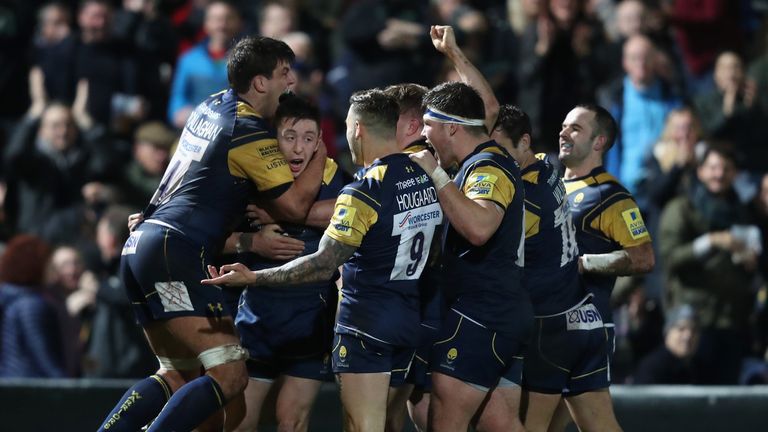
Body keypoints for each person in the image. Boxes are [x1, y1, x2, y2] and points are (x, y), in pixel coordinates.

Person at [96, 35, 326, 432]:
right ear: (260, 82)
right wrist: (319, 153)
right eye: (284, 74)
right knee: (231, 376)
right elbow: (293, 208)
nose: (291, 83)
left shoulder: (210, 105)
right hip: (174, 252)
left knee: (176, 373)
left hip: (144, 245)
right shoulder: (249, 130)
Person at [203, 89, 443, 432]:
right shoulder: (425, 178)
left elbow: (323, 263)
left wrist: (255, 278)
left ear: (357, 129)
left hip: (366, 323)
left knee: (362, 426)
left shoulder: (361, 191)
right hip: (406, 318)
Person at [409, 79, 531, 431]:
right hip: (502, 311)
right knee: (501, 425)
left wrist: (434, 174)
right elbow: (487, 108)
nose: (423, 136)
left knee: (445, 423)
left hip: (482, 314)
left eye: (428, 126)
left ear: (451, 127)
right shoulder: (480, 161)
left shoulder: (487, 167)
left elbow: (480, 228)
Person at [226, 95, 345, 432]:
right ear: (272, 139)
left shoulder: (336, 177)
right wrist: (250, 241)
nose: (298, 148)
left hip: (310, 324)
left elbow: (352, 213)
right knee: (241, 423)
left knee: (291, 422)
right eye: (289, 137)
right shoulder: (251, 176)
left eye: (308, 138)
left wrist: (279, 213)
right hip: (258, 322)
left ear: (320, 142)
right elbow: (211, 234)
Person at [549, 103, 655, 432]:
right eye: (564, 126)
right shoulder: (550, 187)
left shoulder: (611, 196)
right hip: (547, 323)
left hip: (583, 326)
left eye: (575, 128)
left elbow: (643, 257)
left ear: (599, 142)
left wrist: (585, 263)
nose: (563, 132)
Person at [658, 144, 760, 385]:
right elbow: (669, 258)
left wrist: (751, 263)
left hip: (732, 322)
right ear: (701, 171)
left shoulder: (744, 212)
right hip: (693, 323)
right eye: (713, 167)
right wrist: (710, 242)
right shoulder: (682, 208)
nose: (719, 174)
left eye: (726, 168)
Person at [0, 235, 66, 378]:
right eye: (50, 264)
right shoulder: (31, 305)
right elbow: (44, 356)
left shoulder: (10, 298)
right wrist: (68, 388)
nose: (54, 270)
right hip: (29, 389)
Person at [632, 304, 703, 384]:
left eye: (694, 330)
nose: (688, 336)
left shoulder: (701, 368)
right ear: (668, 332)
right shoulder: (653, 367)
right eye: (681, 329)